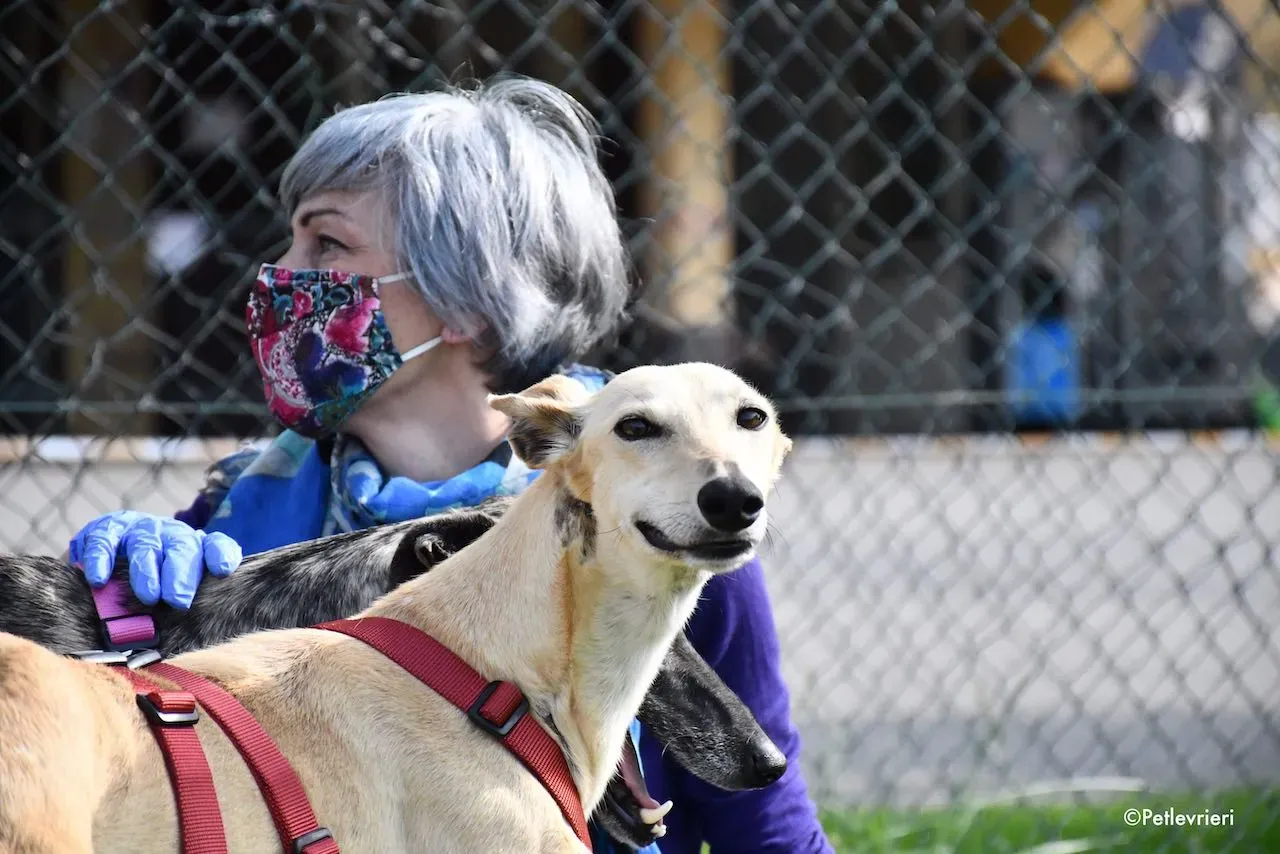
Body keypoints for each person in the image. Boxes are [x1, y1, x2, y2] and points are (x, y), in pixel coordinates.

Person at [67, 75, 834, 854]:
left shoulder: (656, 519)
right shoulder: (243, 515)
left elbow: (764, 829)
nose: (280, 273)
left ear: (468, 298)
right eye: (293, 239)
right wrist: (121, 618)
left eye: (325, 243)